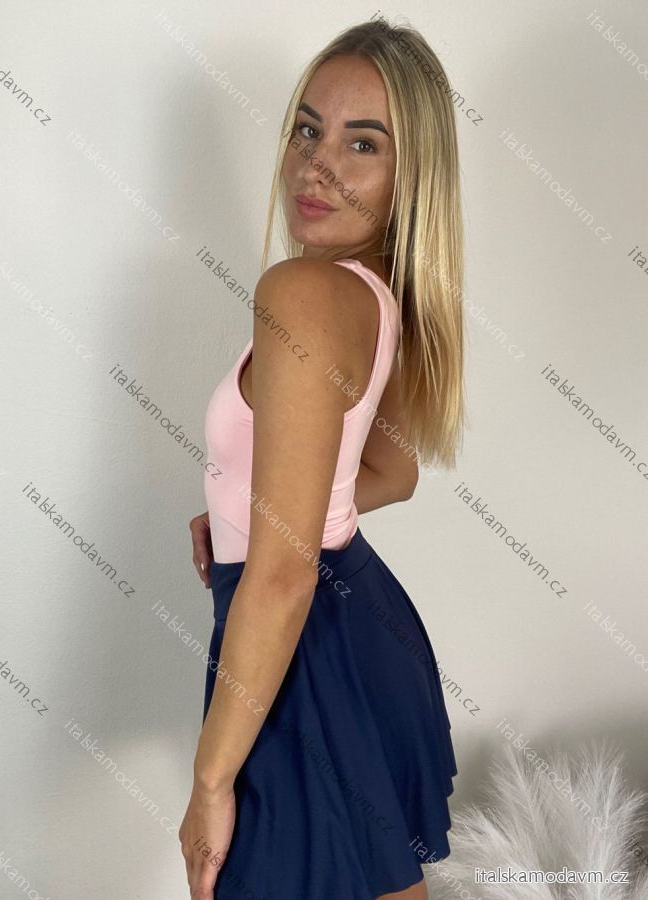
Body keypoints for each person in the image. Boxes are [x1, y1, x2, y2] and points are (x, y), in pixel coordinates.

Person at [180, 16, 465, 900]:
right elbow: (390, 473)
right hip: (351, 625)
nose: (317, 166)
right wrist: (246, 504)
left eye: (361, 144)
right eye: (307, 129)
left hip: (298, 648)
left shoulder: (302, 292)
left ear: (410, 177)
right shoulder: (374, 295)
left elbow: (282, 576)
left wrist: (209, 784)